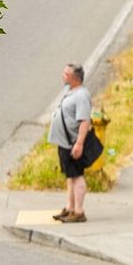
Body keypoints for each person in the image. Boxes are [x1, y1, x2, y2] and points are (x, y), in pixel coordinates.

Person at [47, 62, 94, 224]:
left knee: (77, 176)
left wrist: (79, 144)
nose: (63, 76)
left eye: (66, 74)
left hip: (73, 143)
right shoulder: (72, 91)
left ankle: (79, 211)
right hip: (65, 143)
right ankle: (70, 208)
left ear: (75, 78)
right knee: (70, 177)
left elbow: (84, 121)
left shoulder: (81, 95)